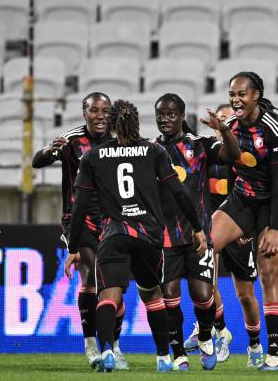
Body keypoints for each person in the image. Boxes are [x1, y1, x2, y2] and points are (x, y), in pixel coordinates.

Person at [63, 99, 209, 372]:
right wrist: (198, 227)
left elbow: (79, 205)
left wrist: (73, 245)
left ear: (112, 124)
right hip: (148, 236)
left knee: (109, 296)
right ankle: (164, 358)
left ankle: (107, 350)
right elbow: (180, 192)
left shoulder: (92, 157)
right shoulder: (154, 151)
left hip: (114, 235)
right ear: (137, 122)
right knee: (152, 296)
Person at [209, 72, 278, 371]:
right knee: (202, 246)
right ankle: (217, 326)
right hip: (244, 197)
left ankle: (274, 355)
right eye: (232, 94)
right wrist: (222, 131)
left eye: (242, 94)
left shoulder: (275, 128)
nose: (236, 100)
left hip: (276, 201)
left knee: (267, 273)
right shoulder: (233, 127)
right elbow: (226, 161)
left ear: (256, 95)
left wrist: (275, 228)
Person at [32, 92, 128, 369]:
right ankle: (92, 345)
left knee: (113, 284)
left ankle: (114, 345)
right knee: (93, 273)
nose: (100, 116)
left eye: (105, 111)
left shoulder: (120, 141)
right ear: (84, 112)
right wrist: (51, 150)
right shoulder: (72, 140)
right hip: (78, 218)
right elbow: (37, 162)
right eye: (94, 110)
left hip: (114, 218)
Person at [153, 94, 240, 370]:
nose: (165, 119)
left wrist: (224, 130)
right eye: (161, 114)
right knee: (169, 295)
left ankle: (204, 336)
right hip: (165, 236)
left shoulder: (200, 146)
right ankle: (178, 352)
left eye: (171, 114)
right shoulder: (151, 151)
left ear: (182, 116)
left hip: (199, 234)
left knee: (203, 295)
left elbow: (234, 155)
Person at [185, 103, 265, 367]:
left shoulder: (241, 155)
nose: (223, 124)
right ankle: (216, 330)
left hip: (238, 230)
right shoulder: (205, 152)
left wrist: (248, 227)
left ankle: (254, 344)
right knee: (207, 282)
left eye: (228, 119)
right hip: (212, 228)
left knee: (245, 295)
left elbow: (250, 196)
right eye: (219, 119)